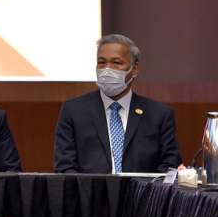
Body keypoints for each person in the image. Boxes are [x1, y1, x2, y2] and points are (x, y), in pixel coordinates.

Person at [54, 34, 181, 173]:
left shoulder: (159, 114)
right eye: (102, 62)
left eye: (117, 63)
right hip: (89, 193)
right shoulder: (73, 110)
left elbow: (169, 165)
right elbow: (65, 168)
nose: (107, 69)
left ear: (134, 69)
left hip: (141, 193)